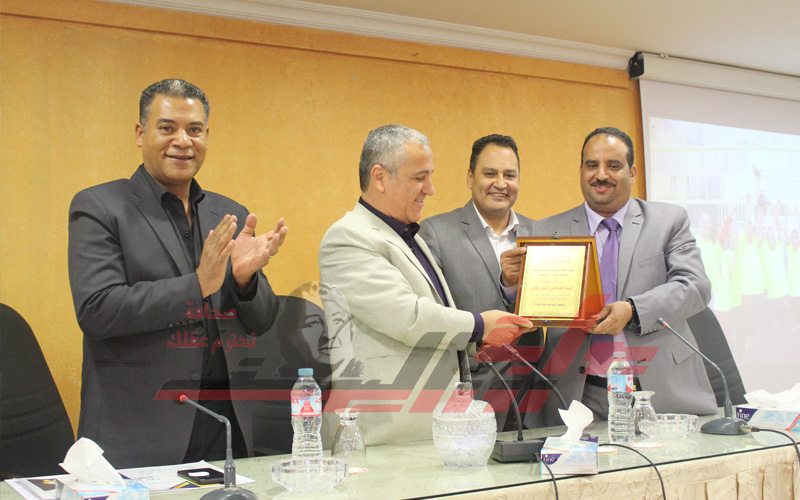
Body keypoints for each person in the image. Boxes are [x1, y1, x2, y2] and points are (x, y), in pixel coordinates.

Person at [68, 79, 287, 467]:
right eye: (167, 127)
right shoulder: (100, 206)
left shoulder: (229, 214)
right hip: (139, 430)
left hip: (224, 426)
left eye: (194, 130)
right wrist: (197, 285)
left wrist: (244, 281)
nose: (183, 141)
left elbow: (261, 321)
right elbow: (97, 310)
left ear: (207, 137)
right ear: (141, 134)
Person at [318, 125, 532, 446]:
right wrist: (480, 326)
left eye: (429, 177)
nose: (430, 189)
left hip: (427, 429)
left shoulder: (408, 235)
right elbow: (407, 316)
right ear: (380, 177)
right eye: (419, 178)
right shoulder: (349, 237)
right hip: (379, 436)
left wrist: (479, 340)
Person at [502, 126, 717, 425]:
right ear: (581, 171)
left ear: (632, 173)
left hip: (658, 390)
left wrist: (633, 311)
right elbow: (532, 314)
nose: (601, 174)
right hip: (579, 394)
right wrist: (512, 286)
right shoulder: (547, 230)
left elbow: (695, 287)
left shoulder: (668, 221)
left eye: (613, 166)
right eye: (592, 165)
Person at [418, 134, 536, 430]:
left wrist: (512, 287)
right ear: (470, 177)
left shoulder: (539, 233)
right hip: (471, 391)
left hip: (536, 389)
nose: (501, 183)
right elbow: (431, 314)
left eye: (510, 175)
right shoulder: (436, 233)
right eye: (490, 173)